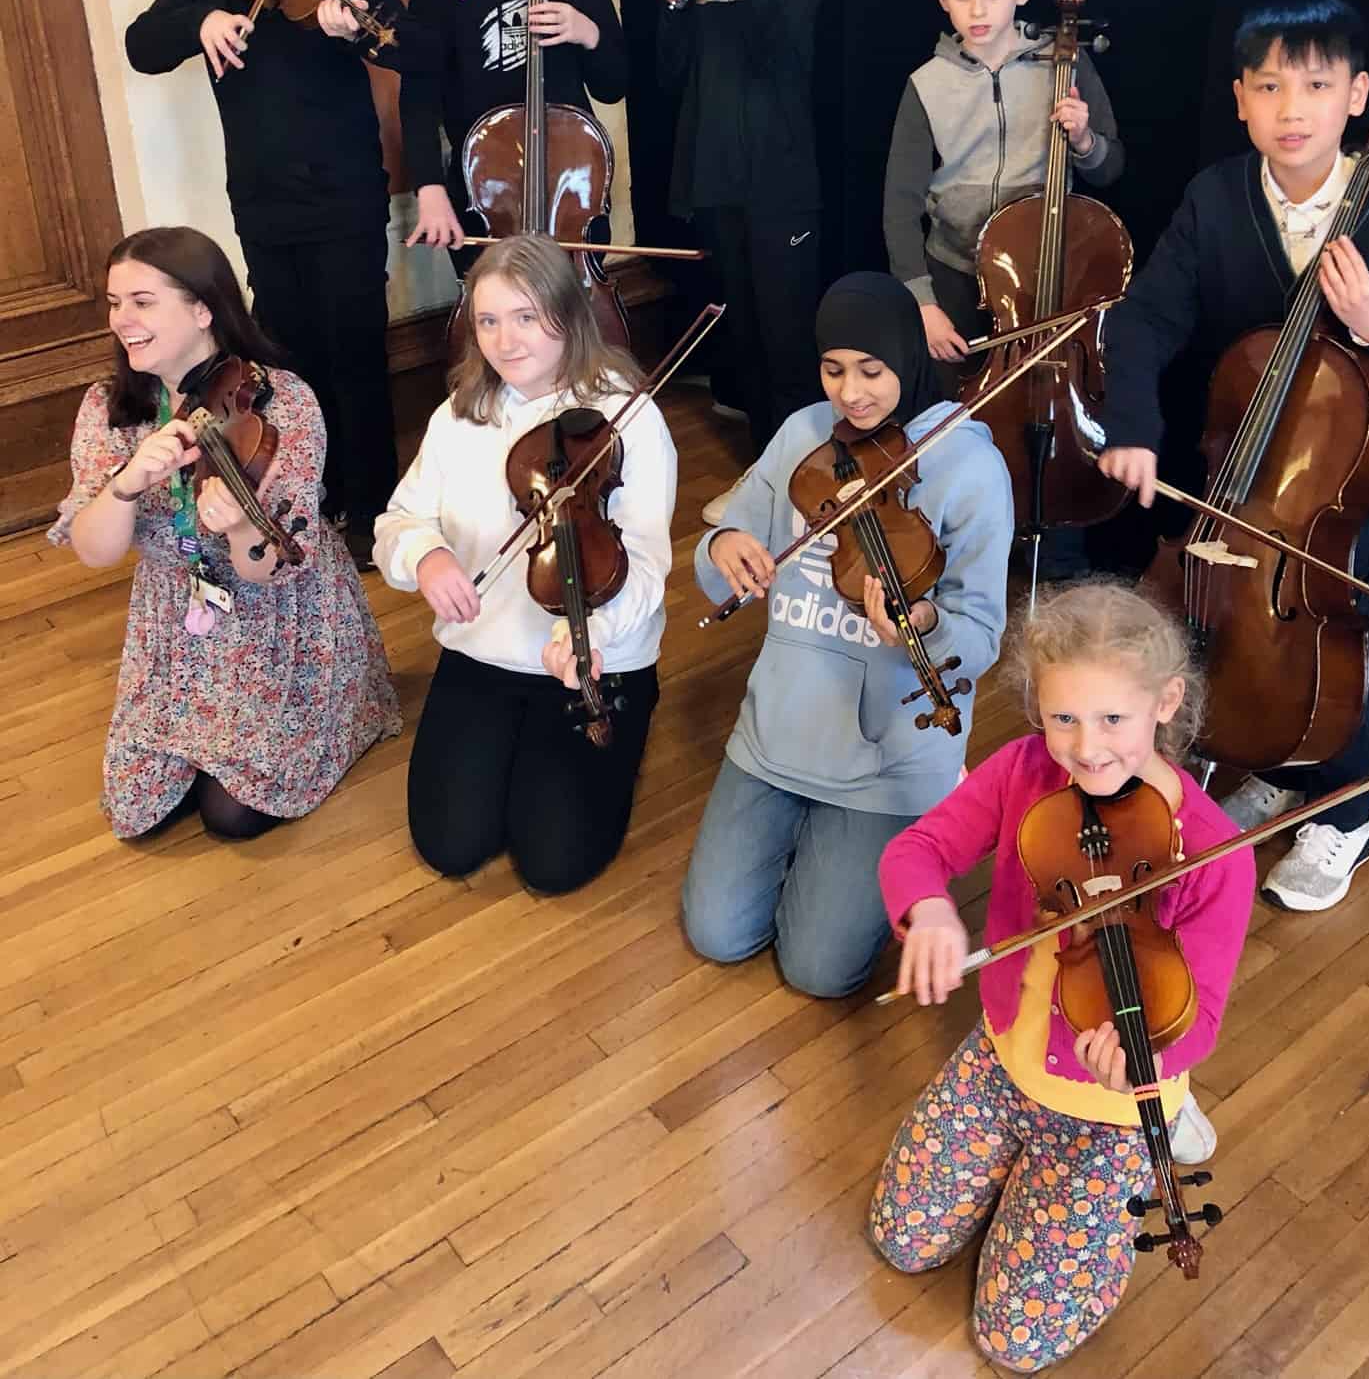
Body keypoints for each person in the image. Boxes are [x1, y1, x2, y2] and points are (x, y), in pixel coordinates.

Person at [1097, 0, 1369, 911]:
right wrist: (1135, 429)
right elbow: (1148, 319)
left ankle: (1346, 808)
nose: (1291, 108)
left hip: (1354, 473)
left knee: (1332, 626)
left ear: (1354, 98)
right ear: (1240, 99)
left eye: (1314, 85)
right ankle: (1276, 751)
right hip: (1244, 456)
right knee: (1235, 617)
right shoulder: (1216, 198)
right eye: (1269, 86)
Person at [869, 581, 1254, 1372]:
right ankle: (1018, 1171)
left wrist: (1147, 1058)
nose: (1086, 747)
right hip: (1003, 1058)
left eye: (1114, 718)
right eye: (1062, 718)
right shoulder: (1023, 772)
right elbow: (918, 852)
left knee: (1016, 1341)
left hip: (1109, 1109)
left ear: (1165, 702)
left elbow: (1203, 1016)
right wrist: (930, 912)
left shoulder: (1216, 853)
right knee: (902, 1240)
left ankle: (1135, 1177)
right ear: (1037, 709)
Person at [681, 272, 1010, 998]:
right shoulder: (803, 434)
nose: (850, 393)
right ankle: (813, 836)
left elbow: (982, 630)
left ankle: (900, 820)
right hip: (782, 728)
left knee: (820, 972)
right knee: (717, 932)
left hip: (888, 753)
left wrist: (923, 623)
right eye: (833, 369)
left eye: (872, 370)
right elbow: (722, 546)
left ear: (906, 358)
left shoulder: (970, 466)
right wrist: (725, 545)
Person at [125, 0, 420, 568]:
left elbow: (407, 43)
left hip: (345, 187)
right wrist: (202, 20)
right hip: (261, 195)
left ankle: (374, 507)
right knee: (283, 356)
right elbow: (140, 45)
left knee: (354, 346)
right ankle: (307, 492)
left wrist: (350, 26)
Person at [49, 227, 400, 840]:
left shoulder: (282, 400)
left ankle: (342, 707)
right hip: (175, 624)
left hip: (281, 616)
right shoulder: (109, 405)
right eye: (114, 303)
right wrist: (127, 483)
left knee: (230, 815)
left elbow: (272, 564)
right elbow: (96, 552)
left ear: (203, 308)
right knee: (137, 808)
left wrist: (240, 527)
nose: (122, 320)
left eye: (142, 301)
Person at [373, 235, 675, 891]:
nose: (506, 342)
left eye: (526, 318)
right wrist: (425, 558)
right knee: (451, 843)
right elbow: (397, 521)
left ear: (567, 316)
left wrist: (596, 630)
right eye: (488, 321)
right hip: (484, 653)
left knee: (553, 862)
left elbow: (648, 568)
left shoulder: (628, 417)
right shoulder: (459, 416)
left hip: (591, 661)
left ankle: (629, 712)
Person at [656, 0, 831, 523]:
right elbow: (670, 76)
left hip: (779, 174)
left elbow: (787, 57)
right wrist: (670, 2)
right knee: (747, 336)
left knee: (789, 337)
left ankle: (794, 490)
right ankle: (769, 473)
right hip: (715, 171)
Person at [883, 0, 1124, 379]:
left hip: (1044, 271)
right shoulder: (926, 83)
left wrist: (1084, 141)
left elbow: (1110, 169)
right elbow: (900, 203)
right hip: (954, 268)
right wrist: (924, 303)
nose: (978, 10)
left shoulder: (1066, 61)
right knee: (952, 401)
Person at [400, 0, 629, 272]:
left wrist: (589, 33)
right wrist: (429, 188)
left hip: (568, 190)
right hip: (481, 192)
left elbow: (614, 85)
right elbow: (418, 96)